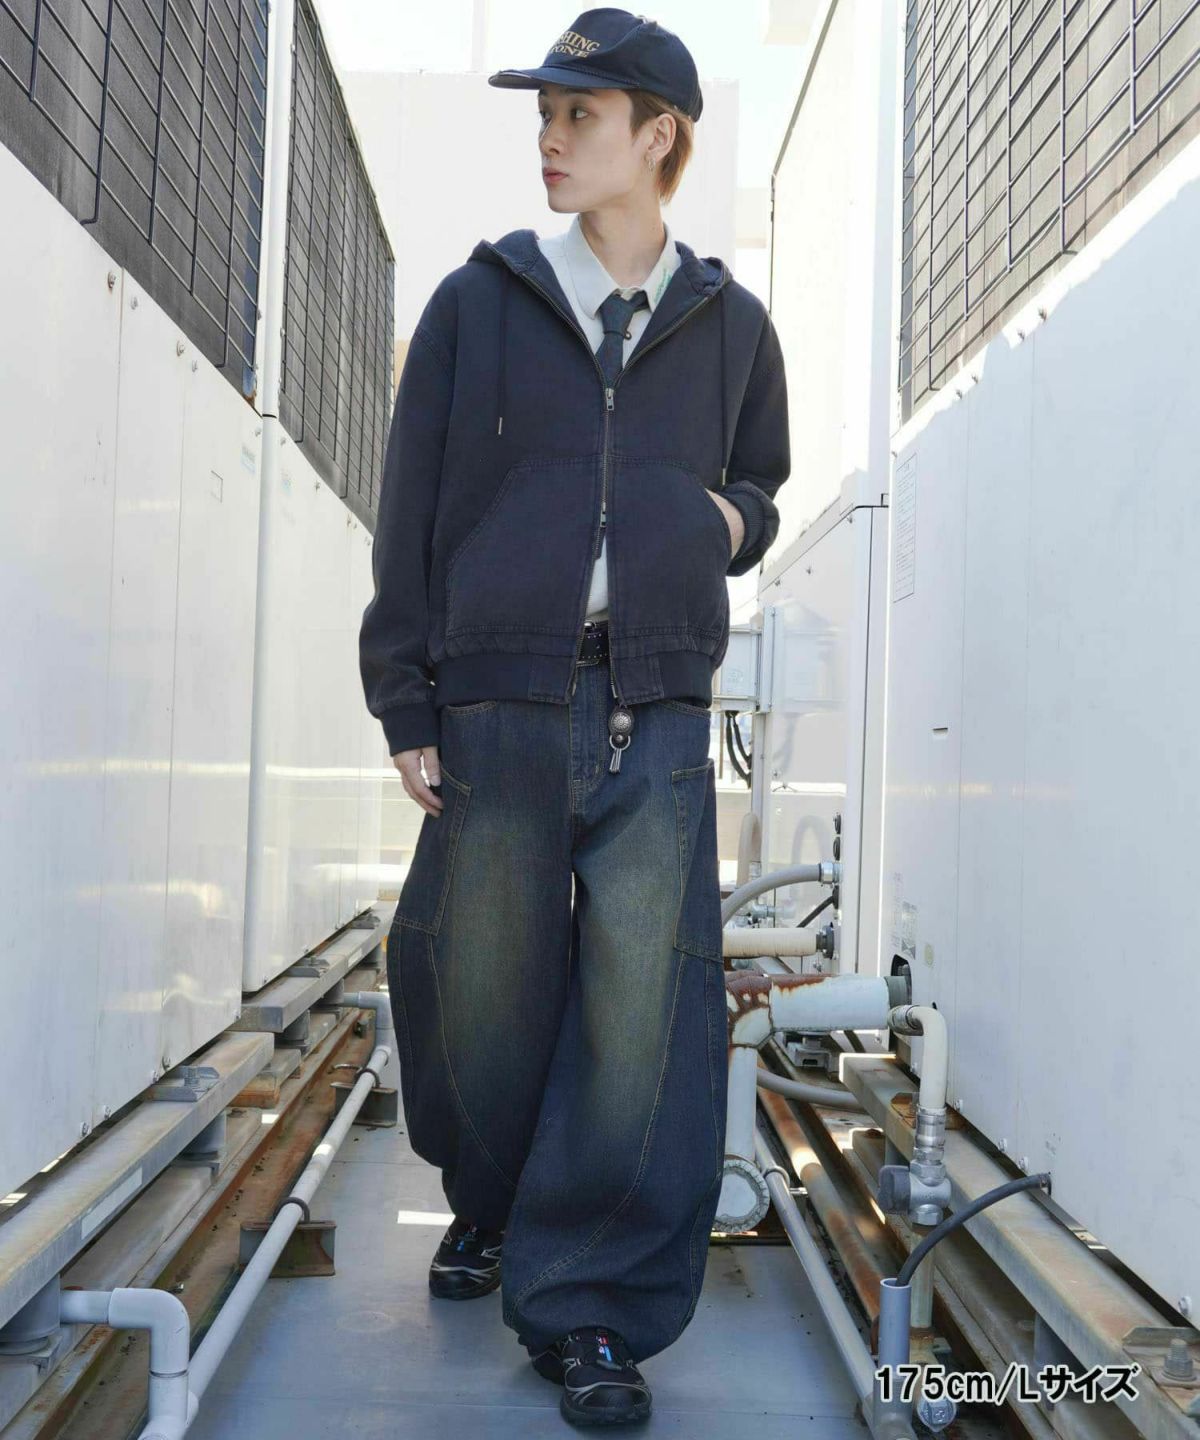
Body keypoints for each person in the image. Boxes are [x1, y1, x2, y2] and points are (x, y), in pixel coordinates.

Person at [358, 8, 790, 1427]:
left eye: (578, 116)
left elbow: (759, 482)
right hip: (497, 694)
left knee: (640, 1012)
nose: (549, 140)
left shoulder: (731, 325)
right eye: (543, 116)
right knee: (471, 984)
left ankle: (588, 1305)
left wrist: (721, 522)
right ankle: (494, 1199)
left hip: (652, 697)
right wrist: (405, 692)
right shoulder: (479, 304)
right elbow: (410, 509)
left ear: (658, 136)